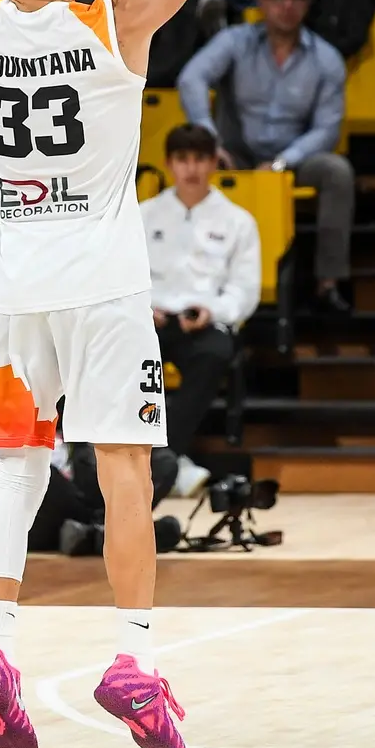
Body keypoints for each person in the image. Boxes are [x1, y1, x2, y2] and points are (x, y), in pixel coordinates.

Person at [0, 0, 232, 748]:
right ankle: (133, 660)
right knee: (123, 468)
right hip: (105, 287)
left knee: (17, 469)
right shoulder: (114, 21)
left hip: (16, 292)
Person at [178, 0, 354, 314]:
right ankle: (195, 279)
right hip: (236, 153)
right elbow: (191, 79)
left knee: (337, 171)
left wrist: (281, 163)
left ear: (307, 3)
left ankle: (328, 282)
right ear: (261, 1)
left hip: (294, 159)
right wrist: (211, 140)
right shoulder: (235, 41)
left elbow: (327, 128)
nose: (287, 5)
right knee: (193, 163)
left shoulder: (326, 58)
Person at [0, 353, 182, 554]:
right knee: (41, 473)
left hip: (78, 487)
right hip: (21, 504)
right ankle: (111, 532)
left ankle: (98, 531)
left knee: (160, 462)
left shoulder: (66, 366)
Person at [142, 124, 261, 496]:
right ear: (168, 163)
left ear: (213, 163)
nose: (191, 168)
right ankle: (161, 460)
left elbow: (244, 289)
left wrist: (213, 311)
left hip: (203, 321)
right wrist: (140, 308)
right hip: (149, 318)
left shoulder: (238, 221)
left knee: (215, 353)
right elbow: (121, 275)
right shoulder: (143, 215)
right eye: (182, 159)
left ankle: (163, 456)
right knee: (116, 352)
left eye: (199, 159)